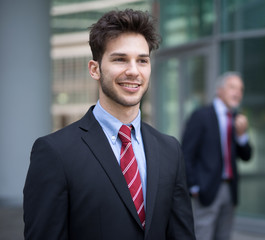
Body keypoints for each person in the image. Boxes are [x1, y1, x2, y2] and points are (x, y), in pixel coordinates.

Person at [23, 9, 195, 240]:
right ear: (95, 69)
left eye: (142, 60)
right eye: (120, 59)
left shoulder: (170, 150)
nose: (133, 71)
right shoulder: (55, 152)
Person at [181, 72, 252, 240]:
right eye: (232, 87)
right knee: (202, 235)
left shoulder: (237, 118)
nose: (237, 93)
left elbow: (247, 156)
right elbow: (186, 153)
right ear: (219, 90)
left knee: (224, 236)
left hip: (230, 189)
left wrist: (242, 135)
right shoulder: (201, 115)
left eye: (241, 89)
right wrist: (194, 186)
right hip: (206, 188)